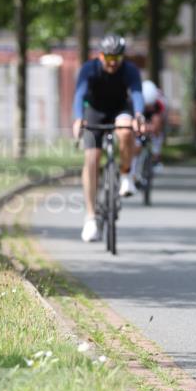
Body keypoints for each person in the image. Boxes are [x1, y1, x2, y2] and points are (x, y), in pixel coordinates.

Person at [72, 34, 145, 242]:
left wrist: (138, 115)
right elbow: (79, 95)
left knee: (126, 130)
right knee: (92, 160)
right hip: (95, 111)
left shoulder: (129, 70)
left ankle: (125, 174)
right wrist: (78, 118)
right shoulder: (89, 69)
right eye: (109, 58)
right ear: (101, 56)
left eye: (117, 58)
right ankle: (90, 217)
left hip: (120, 109)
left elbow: (137, 93)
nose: (113, 63)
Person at [140, 79, 167, 168]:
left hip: (156, 114)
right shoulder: (138, 99)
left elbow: (161, 119)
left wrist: (154, 128)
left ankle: (156, 155)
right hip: (142, 113)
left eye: (150, 106)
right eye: (146, 106)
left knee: (157, 126)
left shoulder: (160, 102)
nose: (148, 108)